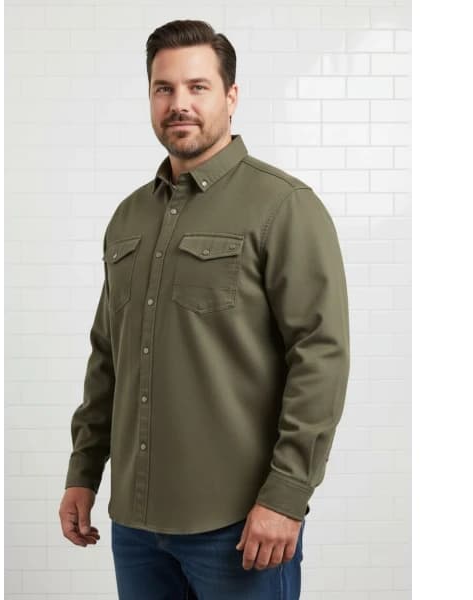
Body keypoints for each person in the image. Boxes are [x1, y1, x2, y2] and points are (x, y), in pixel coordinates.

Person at [58, 19, 350, 600]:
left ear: (231, 96)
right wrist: (83, 472)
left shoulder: (284, 206)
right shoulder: (128, 217)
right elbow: (108, 356)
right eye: (163, 88)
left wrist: (286, 496)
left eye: (198, 87)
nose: (179, 104)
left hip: (240, 525)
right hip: (136, 527)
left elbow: (321, 356)